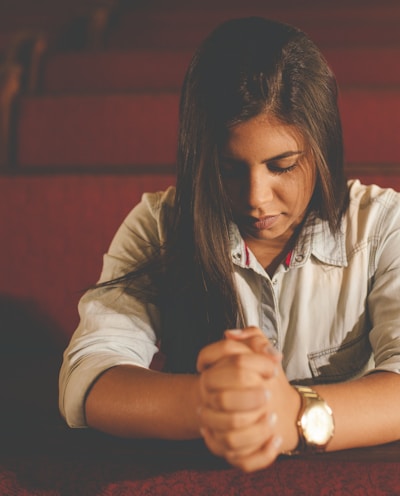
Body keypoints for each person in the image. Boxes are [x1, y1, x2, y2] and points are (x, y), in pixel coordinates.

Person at [59, 16, 400, 472]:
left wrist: (294, 415)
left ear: (322, 150)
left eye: (282, 166)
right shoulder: (161, 224)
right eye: (229, 169)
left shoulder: (381, 225)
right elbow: (88, 376)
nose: (257, 198)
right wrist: (208, 402)